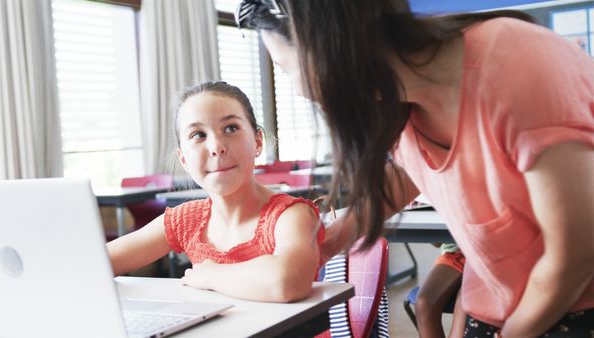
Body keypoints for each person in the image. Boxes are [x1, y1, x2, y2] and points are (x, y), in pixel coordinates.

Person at [236, 1, 594, 336]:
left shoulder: (517, 63)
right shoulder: (400, 100)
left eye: (286, 69)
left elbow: (575, 257)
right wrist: (328, 242)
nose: (298, 89)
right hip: (498, 307)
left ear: (325, 46)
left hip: (571, 310)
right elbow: (409, 171)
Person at [107, 80, 324, 303]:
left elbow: (287, 281)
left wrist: (209, 274)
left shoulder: (291, 214)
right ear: (183, 158)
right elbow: (98, 263)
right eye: (198, 135)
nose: (216, 147)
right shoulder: (185, 220)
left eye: (231, 128)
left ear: (258, 141)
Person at [415, 243, 466, 338]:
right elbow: (437, 242)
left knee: (465, 302)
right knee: (424, 303)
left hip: (489, 256)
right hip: (455, 254)